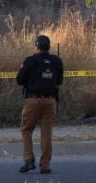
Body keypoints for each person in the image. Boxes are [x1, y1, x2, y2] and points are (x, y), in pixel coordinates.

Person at [16, 34, 63, 175]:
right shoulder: (56, 61)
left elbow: (19, 80)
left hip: (33, 100)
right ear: (49, 47)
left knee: (26, 130)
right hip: (50, 101)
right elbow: (59, 81)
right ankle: (45, 165)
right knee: (46, 133)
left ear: (37, 46)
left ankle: (29, 160)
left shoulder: (30, 61)